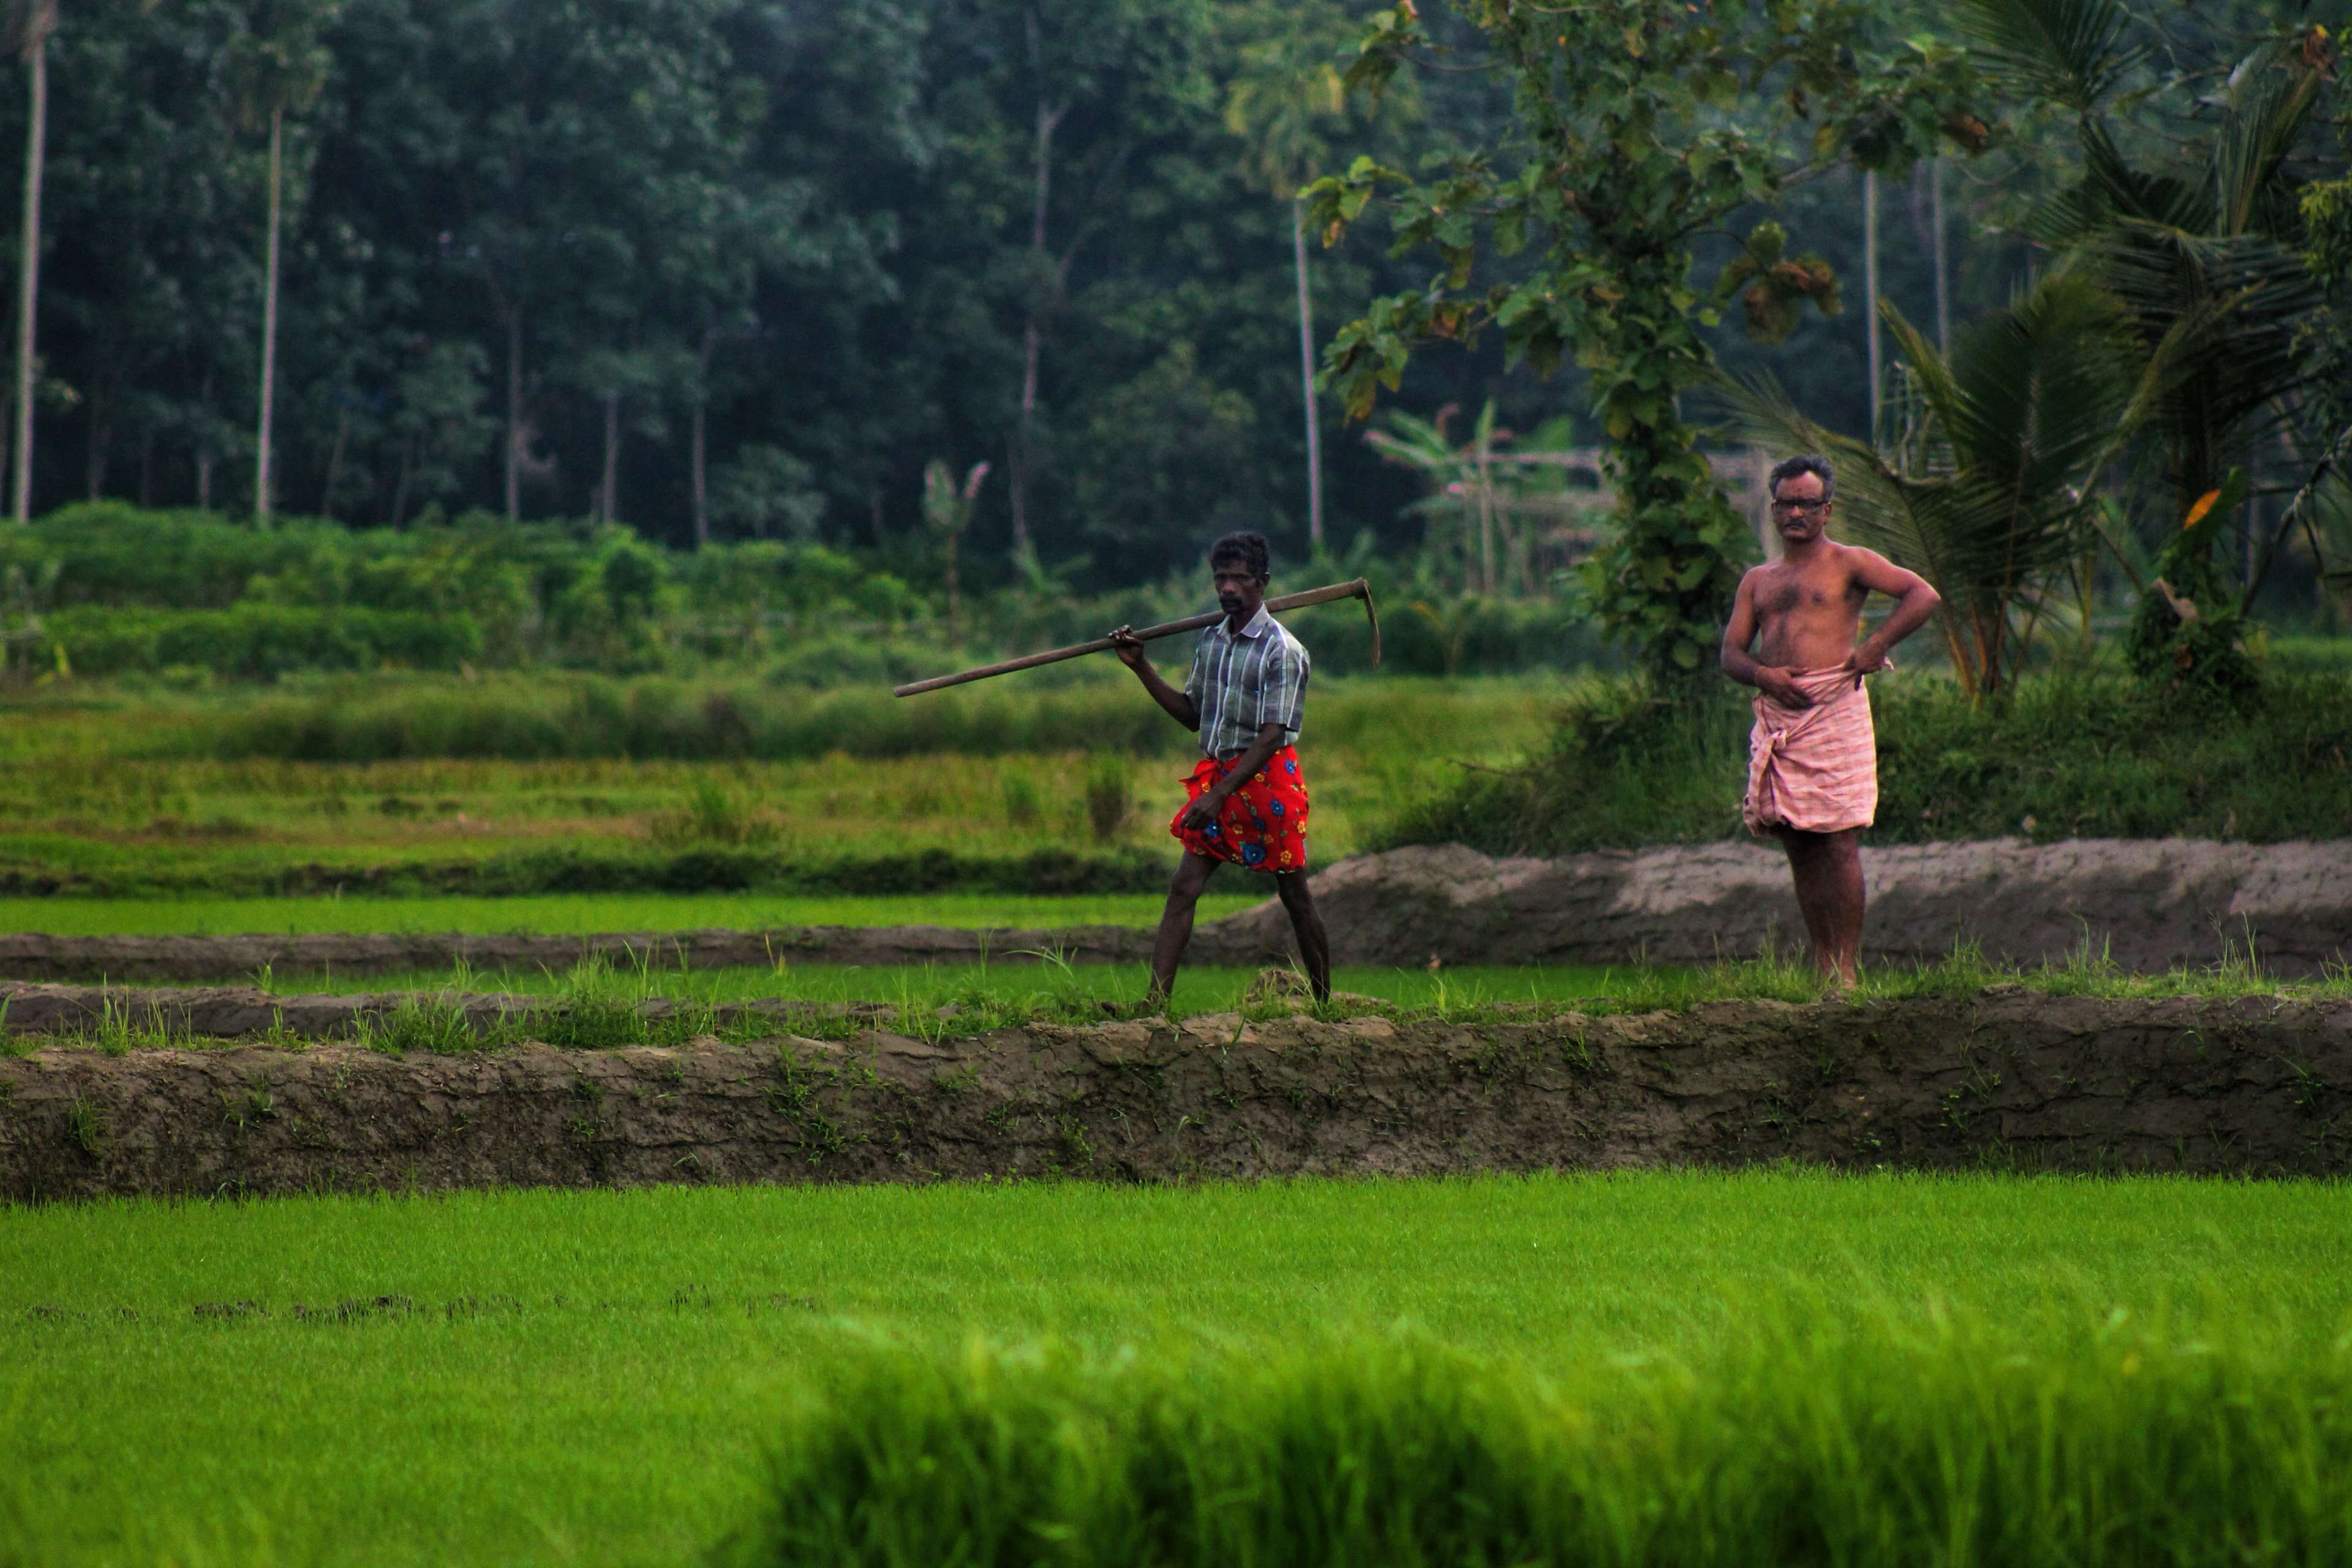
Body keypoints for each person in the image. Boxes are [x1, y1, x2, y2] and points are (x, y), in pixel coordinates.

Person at [1719, 454, 1940, 987]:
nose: (1796, 512)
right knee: (1798, 838)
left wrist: (1877, 645)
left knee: (1838, 840)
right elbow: (1731, 653)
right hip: (1781, 716)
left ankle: (1845, 973)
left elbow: (1923, 595)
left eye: (1807, 503)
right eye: (1786, 503)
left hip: (1834, 706)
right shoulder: (1759, 580)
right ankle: (1823, 964)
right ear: (1773, 510)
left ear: (1826, 511)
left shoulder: (1850, 562)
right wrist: (1765, 677)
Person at [1109, 532, 1331, 1009]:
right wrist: (1141, 668)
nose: (1228, 588)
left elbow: (1273, 734)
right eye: (1221, 578)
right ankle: (1154, 1006)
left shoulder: (1283, 651)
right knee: (1184, 886)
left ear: (1262, 583)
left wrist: (1216, 795)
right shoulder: (1212, 642)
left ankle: (1324, 1006)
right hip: (1220, 774)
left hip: (1268, 781)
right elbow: (1193, 714)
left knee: (1294, 895)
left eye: (1239, 579)